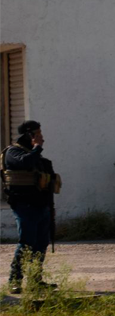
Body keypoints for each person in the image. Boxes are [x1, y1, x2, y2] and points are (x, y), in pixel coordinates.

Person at [3, 120, 61, 293]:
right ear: (29, 135)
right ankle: (15, 281)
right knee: (26, 243)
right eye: (38, 133)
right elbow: (24, 163)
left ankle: (36, 280)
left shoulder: (38, 157)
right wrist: (37, 148)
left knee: (41, 243)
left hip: (41, 205)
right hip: (24, 206)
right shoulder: (13, 152)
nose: (41, 137)